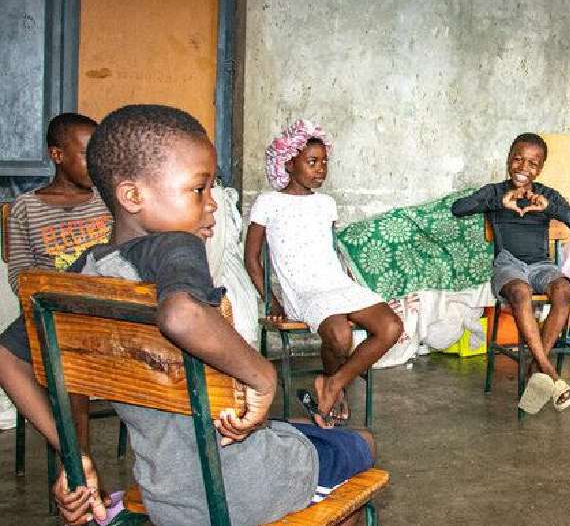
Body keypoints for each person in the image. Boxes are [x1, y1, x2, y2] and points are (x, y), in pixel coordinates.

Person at [73, 104, 376, 526]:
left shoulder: (85, 275)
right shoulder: (177, 249)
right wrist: (263, 376)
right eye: (199, 190)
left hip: (169, 496)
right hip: (244, 490)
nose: (212, 205)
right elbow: (180, 315)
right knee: (361, 443)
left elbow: (11, 357)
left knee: (291, 427)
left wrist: (77, 457)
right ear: (132, 195)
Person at [244, 119, 402, 428]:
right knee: (340, 336)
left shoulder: (326, 204)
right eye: (312, 162)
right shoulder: (269, 202)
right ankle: (334, 387)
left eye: (324, 162)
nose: (320, 169)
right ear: (289, 163)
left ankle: (333, 384)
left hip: (336, 283)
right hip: (303, 289)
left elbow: (327, 253)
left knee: (391, 326)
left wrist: (352, 284)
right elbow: (252, 258)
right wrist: (272, 303)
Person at [0, 112, 113, 524]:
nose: (97, 164)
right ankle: (79, 472)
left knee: (72, 366)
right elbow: (21, 277)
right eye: (87, 154)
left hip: (107, 312)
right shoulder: (26, 210)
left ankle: (76, 476)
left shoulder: (108, 199)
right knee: (69, 373)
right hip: (58, 315)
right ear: (57, 155)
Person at [450, 133, 570, 414]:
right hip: (508, 264)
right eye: (518, 159)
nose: (523, 168)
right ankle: (550, 373)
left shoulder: (547, 195)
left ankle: (535, 372)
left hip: (542, 265)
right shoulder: (494, 192)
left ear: (540, 169)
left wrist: (551, 208)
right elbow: (458, 209)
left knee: (564, 290)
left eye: (532, 163)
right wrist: (497, 203)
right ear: (508, 160)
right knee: (520, 292)